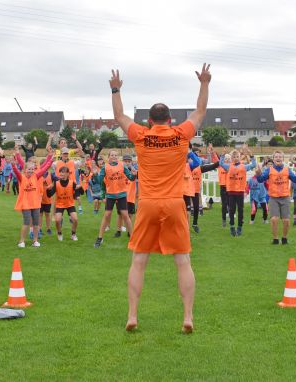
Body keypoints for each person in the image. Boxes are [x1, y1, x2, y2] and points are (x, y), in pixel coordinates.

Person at [110, 64, 211, 333]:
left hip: (148, 204)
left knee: (139, 261)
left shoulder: (141, 136)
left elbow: (119, 115)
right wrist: (204, 83)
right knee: (182, 261)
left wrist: (116, 88)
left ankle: (132, 315)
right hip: (175, 203)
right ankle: (187, 317)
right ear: (170, 120)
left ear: (150, 121)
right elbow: (200, 111)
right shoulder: (180, 135)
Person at [93, 150, 137, 248]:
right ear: (109, 157)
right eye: (112, 155)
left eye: (116, 155)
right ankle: (99, 238)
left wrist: (133, 174)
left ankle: (133, 239)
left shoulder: (122, 165)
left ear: (118, 157)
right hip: (110, 195)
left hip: (121, 194)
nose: (114, 156)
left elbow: (130, 178)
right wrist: (96, 174)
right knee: (107, 214)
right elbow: (100, 181)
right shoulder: (105, 167)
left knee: (125, 215)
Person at [256, 150, 296, 244]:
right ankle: (275, 239)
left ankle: (284, 238)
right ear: (273, 159)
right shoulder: (269, 169)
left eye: (280, 157)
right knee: (274, 219)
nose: (278, 158)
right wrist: (258, 173)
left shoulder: (287, 169)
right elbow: (260, 180)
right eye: (276, 157)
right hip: (273, 197)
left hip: (285, 197)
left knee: (286, 220)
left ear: (283, 159)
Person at [11, 149, 53, 248]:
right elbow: (16, 171)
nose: (30, 171)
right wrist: (13, 165)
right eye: (28, 169)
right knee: (26, 222)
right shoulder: (22, 178)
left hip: (36, 204)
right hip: (26, 204)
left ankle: (35, 241)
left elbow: (45, 168)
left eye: (32, 169)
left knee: (36, 223)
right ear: (25, 169)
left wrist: (51, 160)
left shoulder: (36, 176)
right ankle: (22, 241)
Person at [219, 149, 256, 236]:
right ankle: (232, 226)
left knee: (240, 210)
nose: (235, 158)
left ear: (239, 157)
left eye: (237, 157)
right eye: (234, 157)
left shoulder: (244, 166)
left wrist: (251, 156)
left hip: (240, 192)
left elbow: (253, 164)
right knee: (232, 210)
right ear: (231, 158)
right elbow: (220, 164)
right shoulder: (228, 166)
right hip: (231, 192)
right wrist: (223, 155)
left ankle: (239, 227)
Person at [46, 166, 82, 241]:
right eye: (60, 172)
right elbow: (50, 195)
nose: (61, 174)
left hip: (70, 204)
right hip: (60, 204)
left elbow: (81, 192)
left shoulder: (72, 183)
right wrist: (48, 190)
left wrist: (80, 187)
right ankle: (59, 233)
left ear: (67, 174)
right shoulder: (56, 183)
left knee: (75, 219)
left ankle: (73, 234)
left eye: (63, 172)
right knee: (57, 220)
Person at [218, 152, 230, 227]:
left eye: (228, 159)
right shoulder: (220, 166)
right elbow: (218, 160)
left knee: (231, 204)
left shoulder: (231, 167)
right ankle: (224, 220)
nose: (227, 160)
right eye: (226, 158)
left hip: (230, 187)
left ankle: (231, 218)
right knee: (224, 204)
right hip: (223, 186)